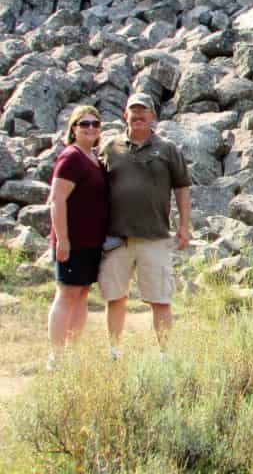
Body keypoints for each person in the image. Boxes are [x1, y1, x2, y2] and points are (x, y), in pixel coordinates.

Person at [98, 93, 191, 355]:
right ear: (125, 115)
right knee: (115, 297)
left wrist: (184, 227)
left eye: (144, 111)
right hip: (118, 239)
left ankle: (165, 355)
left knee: (161, 299)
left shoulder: (168, 149)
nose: (138, 115)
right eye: (133, 111)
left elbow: (182, 188)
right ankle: (114, 352)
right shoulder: (110, 147)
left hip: (156, 238)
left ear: (153, 116)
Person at [47, 105, 109, 366]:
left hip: (91, 241)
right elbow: (57, 199)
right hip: (72, 241)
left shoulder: (93, 158)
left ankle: (73, 353)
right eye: (84, 124)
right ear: (74, 128)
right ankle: (56, 356)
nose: (91, 128)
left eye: (95, 124)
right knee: (67, 294)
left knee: (82, 293)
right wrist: (62, 239)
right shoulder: (71, 157)